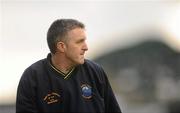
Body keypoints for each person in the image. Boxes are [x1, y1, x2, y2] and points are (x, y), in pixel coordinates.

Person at [16, 19, 122, 113]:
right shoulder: (32, 77)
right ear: (62, 46)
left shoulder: (95, 71)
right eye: (79, 42)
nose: (86, 47)